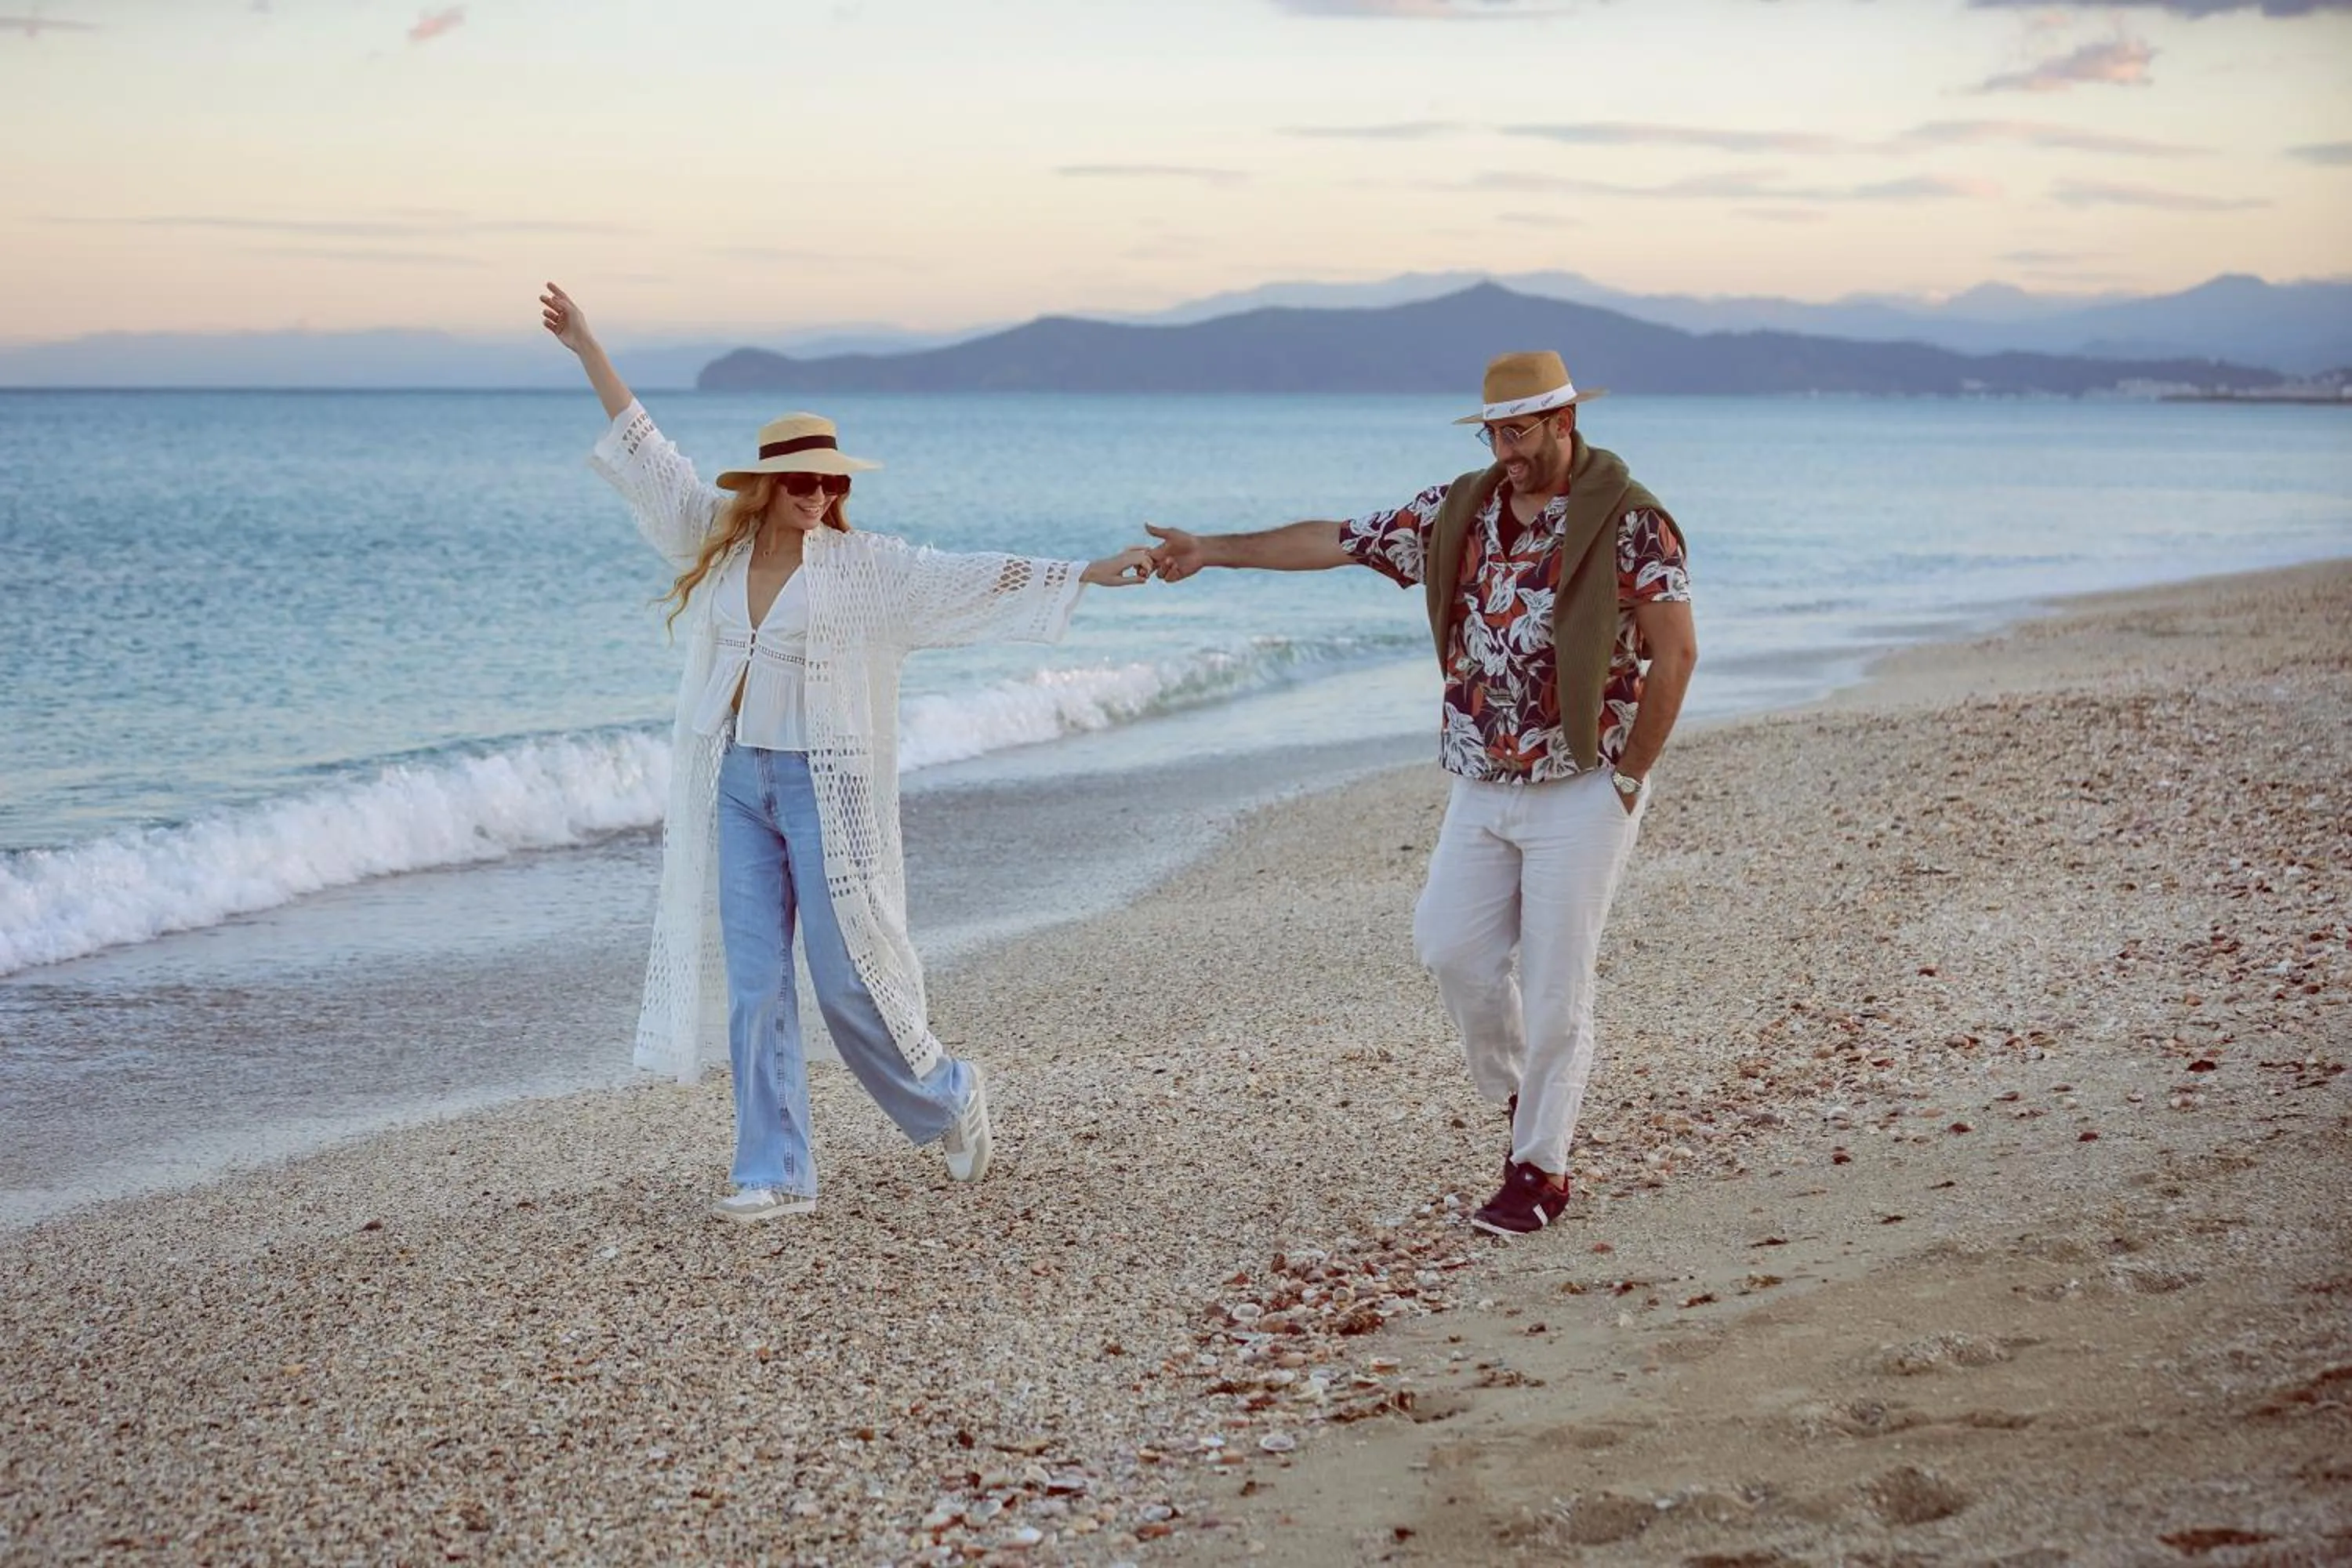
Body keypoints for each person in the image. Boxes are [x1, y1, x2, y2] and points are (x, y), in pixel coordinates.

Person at [541, 281, 1154, 1224]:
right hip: (738, 785)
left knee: (846, 979)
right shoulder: (714, 537)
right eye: (803, 482)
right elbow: (647, 453)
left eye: (833, 482)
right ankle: (774, 1170)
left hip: (822, 791)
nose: (821, 495)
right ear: (764, 487)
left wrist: (1086, 572)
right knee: (754, 987)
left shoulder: (868, 571)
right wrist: (588, 346)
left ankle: (949, 1093)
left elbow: (970, 579)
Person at [1145, 351, 1696, 1239]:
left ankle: (1539, 1168)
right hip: (1481, 774)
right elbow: (1335, 539)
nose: (1503, 449)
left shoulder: (1632, 522)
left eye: (1518, 432)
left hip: (1582, 782)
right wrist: (1212, 550)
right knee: (1451, 948)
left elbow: (1677, 652)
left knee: (1560, 987)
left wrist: (1630, 774)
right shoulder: (1461, 511)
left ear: (1562, 423)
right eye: (1492, 432)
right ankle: (1527, 1096)